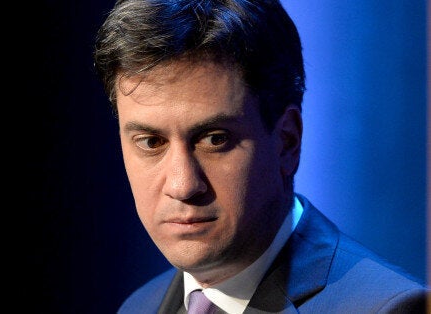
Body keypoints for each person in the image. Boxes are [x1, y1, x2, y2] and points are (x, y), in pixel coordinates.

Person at [92, 0, 429, 313]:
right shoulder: (139, 306)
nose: (183, 186)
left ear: (287, 141)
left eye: (215, 139)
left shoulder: (386, 308)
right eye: (151, 142)